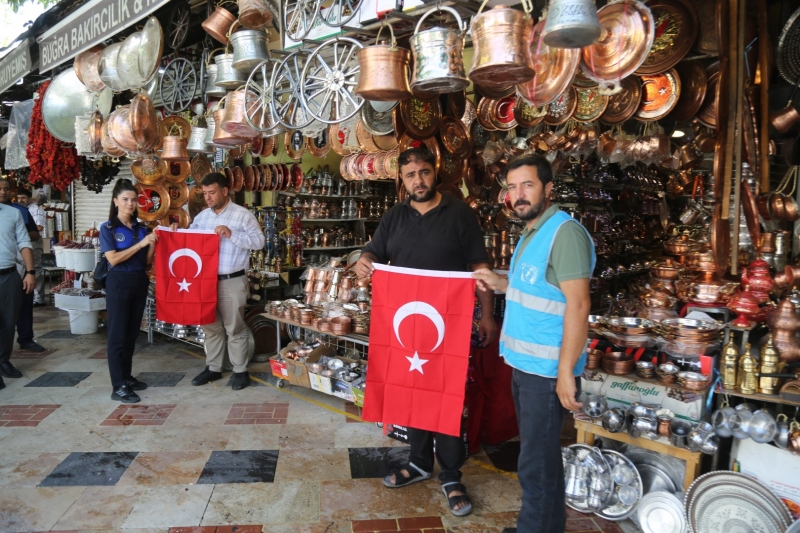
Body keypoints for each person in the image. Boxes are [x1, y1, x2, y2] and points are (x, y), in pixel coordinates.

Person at [354, 148, 496, 517]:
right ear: (402, 180)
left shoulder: (460, 214)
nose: (419, 180)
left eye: (424, 172)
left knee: (446, 395)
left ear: (435, 173)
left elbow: (480, 266)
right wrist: (364, 263)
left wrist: (488, 315)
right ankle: (418, 462)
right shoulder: (393, 217)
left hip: (449, 326)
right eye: (411, 174)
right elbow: (371, 254)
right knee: (412, 393)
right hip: (407, 328)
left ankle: (450, 474)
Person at [472, 155, 595, 533]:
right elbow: (538, 291)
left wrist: (564, 375)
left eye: (527, 185)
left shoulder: (564, 233)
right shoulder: (532, 232)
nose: (518, 195)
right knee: (539, 459)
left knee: (535, 463)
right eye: (512, 187)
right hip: (525, 365)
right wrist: (500, 283)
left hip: (546, 371)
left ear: (548, 189)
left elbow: (578, 304)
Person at [171, 172, 265, 390]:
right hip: (204, 281)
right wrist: (177, 233)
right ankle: (213, 368)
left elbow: (259, 242)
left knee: (235, 327)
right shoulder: (203, 217)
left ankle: (240, 371)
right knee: (210, 326)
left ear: (225, 191)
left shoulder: (243, 216)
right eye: (205, 194)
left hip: (232, 280)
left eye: (212, 192)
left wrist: (232, 234)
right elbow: (190, 242)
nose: (208, 198)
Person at [100, 179, 158, 403]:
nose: (130, 204)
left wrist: (152, 242)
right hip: (119, 281)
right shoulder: (108, 229)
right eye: (125, 199)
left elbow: (146, 261)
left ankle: (127, 376)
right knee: (117, 335)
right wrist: (141, 245)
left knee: (132, 332)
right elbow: (113, 259)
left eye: (134, 200)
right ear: (116, 201)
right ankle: (118, 385)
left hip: (138, 280)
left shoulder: (141, 228)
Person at [1, 181, 45, 356]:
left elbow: (34, 234)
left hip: (17, 263)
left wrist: (18, 233)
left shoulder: (19, 211)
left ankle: (25, 338)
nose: (3, 192)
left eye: (6, 189)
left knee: (24, 300)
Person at [0, 178, 36, 388]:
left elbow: (24, 242)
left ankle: (3, 360)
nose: (3, 192)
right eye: (0, 189)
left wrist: (30, 272)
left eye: (6, 189)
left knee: (8, 322)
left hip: (9, 275)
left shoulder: (14, 214)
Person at [16, 189, 47, 306]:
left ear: (30, 198)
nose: (20, 200)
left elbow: (38, 227)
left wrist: (19, 232)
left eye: (23, 198)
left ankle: (39, 298)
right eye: (18, 198)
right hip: (24, 242)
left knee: (35, 268)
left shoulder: (36, 210)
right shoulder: (22, 210)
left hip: (33, 242)